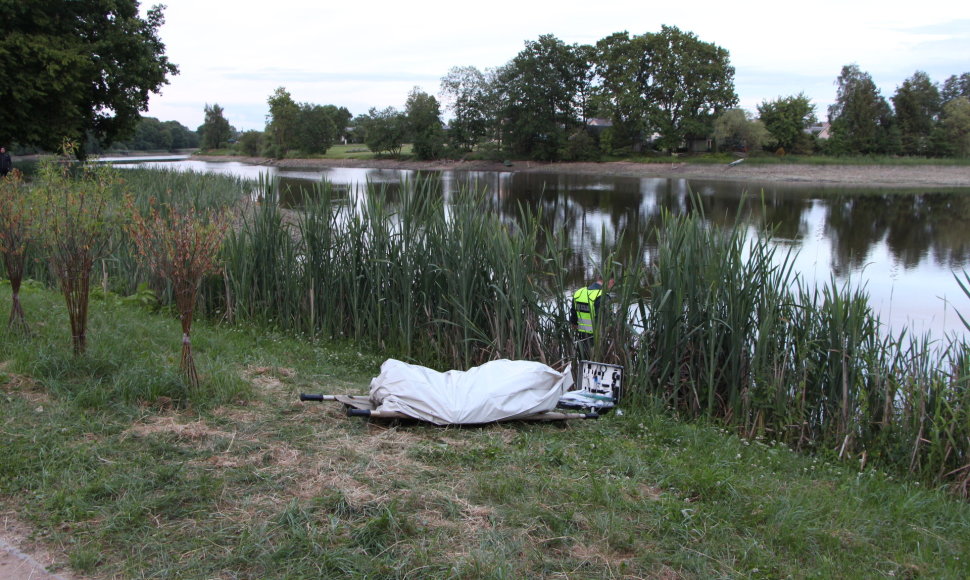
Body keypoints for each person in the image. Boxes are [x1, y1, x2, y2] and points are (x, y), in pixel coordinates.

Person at [570, 275, 614, 360]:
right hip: (596, 342)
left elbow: (573, 322)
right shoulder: (602, 296)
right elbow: (604, 321)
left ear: (598, 278)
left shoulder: (579, 292)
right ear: (611, 281)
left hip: (581, 341)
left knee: (583, 365)